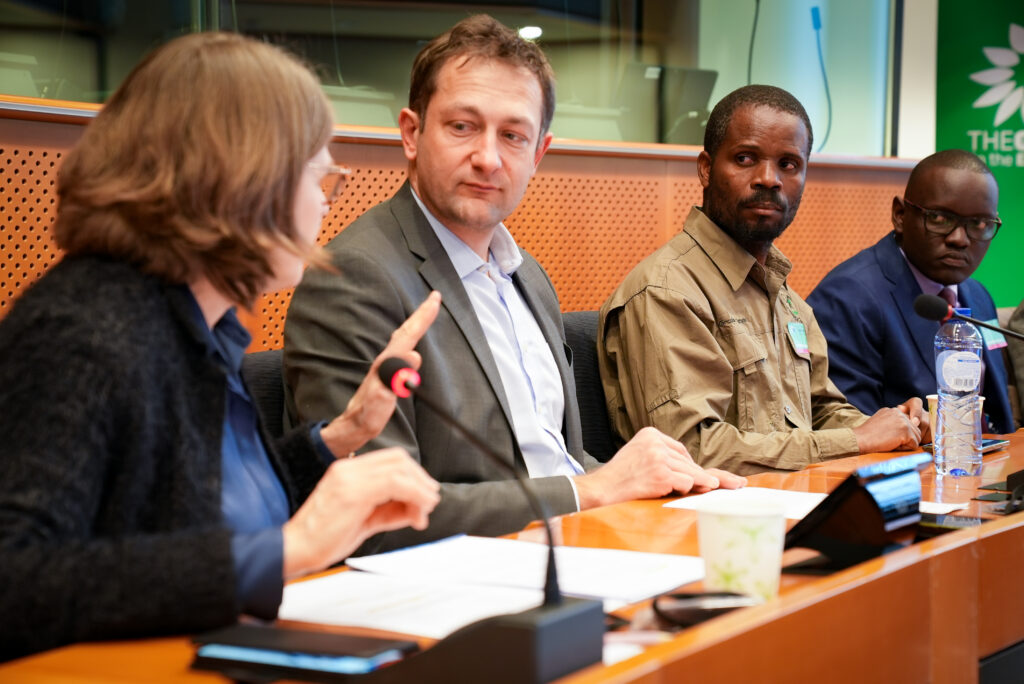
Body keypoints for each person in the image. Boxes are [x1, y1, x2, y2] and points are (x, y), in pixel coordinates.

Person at [0, 33, 442, 660]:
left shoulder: (194, 324)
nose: (325, 201)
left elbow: (207, 515)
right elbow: (17, 582)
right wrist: (293, 548)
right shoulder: (81, 330)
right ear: (244, 178)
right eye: (320, 176)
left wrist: (340, 436)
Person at [283, 14, 745, 555]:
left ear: (538, 153)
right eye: (462, 127)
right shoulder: (355, 278)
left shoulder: (527, 275)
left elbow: (557, 463)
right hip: (455, 575)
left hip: (570, 547)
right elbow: (377, 515)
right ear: (411, 133)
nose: (487, 157)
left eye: (512, 135)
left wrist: (654, 477)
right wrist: (591, 489)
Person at [598, 85, 928, 476]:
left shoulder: (788, 300)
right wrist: (858, 441)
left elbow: (819, 410)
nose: (769, 179)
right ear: (706, 168)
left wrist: (893, 426)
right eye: (745, 158)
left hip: (790, 506)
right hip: (706, 524)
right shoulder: (668, 290)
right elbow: (691, 451)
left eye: (788, 164)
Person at [808, 150, 1013, 433]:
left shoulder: (978, 296)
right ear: (900, 215)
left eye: (979, 224)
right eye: (940, 218)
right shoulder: (847, 298)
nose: (959, 239)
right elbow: (850, 432)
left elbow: (997, 419)